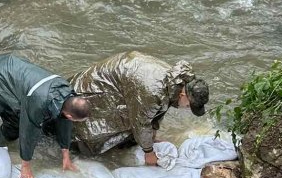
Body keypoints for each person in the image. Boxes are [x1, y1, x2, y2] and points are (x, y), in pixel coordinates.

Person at [70, 51, 210, 165]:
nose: (186, 109)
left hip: (124, 81)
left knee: (133, 123)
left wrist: (153, 134)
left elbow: (159, 108)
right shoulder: (153, 90)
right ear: (184, 95)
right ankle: (71, 147)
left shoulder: (176, 81)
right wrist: (149, 153)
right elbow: (141, 122)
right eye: (188, 106)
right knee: (92, 130)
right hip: (94, 90)